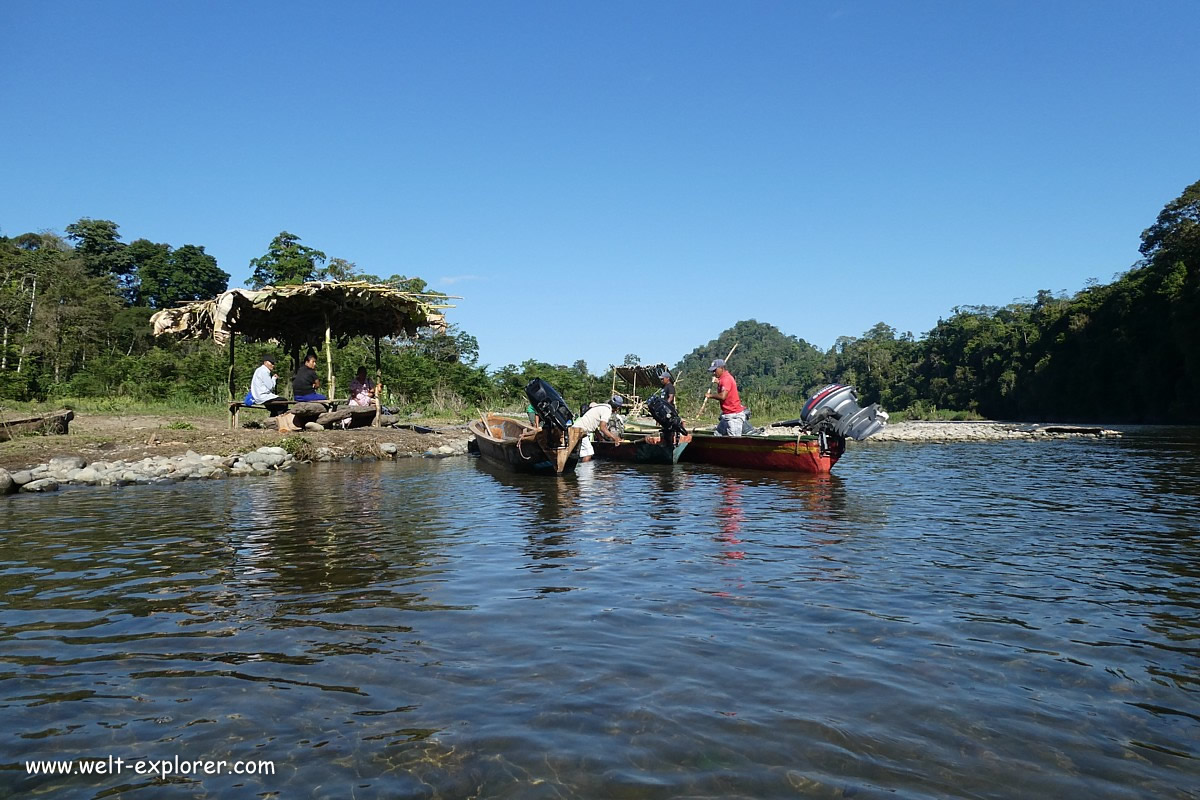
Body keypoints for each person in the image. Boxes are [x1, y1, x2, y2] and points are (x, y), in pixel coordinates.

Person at [572, 395, 624, 462]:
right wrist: (615, 438)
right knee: (588, 453)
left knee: (578, 453)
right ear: (617, 408)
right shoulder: (607, 410)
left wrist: (600, 438)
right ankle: (584, 472)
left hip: (578, 429)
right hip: (581, 430)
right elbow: (603, 428)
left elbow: (594, 425)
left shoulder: (602, 407)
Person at [706, 358, 748, 436]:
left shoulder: (726, 379)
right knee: (717, 435)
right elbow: (724, 387)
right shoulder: (722, 379)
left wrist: (710, 395)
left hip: (734, 416)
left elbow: (723, 396)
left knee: (733, 441)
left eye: (715, 370)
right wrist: (718, 382)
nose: (714, 373)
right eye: (713, 371)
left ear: (721, 368)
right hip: (726, 415)